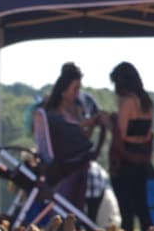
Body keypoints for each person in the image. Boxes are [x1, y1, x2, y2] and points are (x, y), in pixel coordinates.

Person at [34, 62, 103, 216]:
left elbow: (81, 137)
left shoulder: (76, 109)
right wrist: (88, 122)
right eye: (75, 89)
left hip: (77, 160)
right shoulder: (54, 112)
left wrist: (92, 125)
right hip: (63, 163)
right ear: (64, 91)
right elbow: (71, 130)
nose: (77, 93)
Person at [108, 61, 154, 231]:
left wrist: (110, 122)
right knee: (142, 206)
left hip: (124, 159)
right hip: (141, 157)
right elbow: (148, 134)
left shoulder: (127, 102)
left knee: (125, 209)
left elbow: (122, 132)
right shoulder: (147, 102)